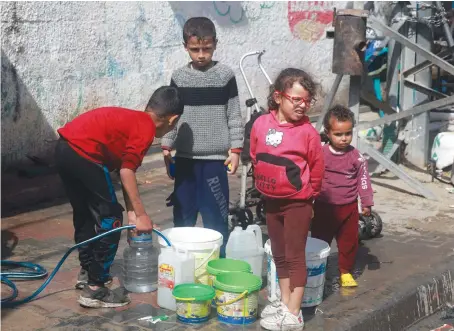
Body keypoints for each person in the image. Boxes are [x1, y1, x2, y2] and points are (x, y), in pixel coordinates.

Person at [55, 86, 183, 308]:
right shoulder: (146, 129)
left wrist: (133, 212)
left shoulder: (134, 120)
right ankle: (95, 289)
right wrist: (142, 215)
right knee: (111, 219)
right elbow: (127, 172)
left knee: (85, 214)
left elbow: (124, 171)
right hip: (85, 154)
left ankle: (88, 272)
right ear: (173, 119)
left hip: (64, 150)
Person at [161, 17, 244, 257]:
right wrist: (166, 146)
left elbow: (234, 115)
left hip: (215, 162)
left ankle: (217, 265)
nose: (200, 55)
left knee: (216, 218)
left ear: (215, 45)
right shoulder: (179, 77)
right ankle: (182, 262)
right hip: (185, 160)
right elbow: (172, 116)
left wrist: (236, 149)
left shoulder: (225, 76)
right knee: (183, 216)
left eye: (206, 49)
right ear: (185, 46)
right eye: (195, 49)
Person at [250, 68, 324, 330]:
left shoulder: (308, 132)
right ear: (278, 97)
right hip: (271, 201)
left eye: (307, 100)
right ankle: (284, 301)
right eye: (296, 99)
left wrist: (309, 198)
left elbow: (316, 168)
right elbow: (255, 154)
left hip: (298, 203)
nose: (302, 106)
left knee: (294, 256)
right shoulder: (260, 124)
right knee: (278, 254)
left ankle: (294, 313)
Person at [311, 105, 374, 288]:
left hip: (348, 208)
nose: (344, 138)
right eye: (338, 134)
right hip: (324, 206)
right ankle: (317, 269)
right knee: (319, 241)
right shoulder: (321, 154)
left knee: (349, 242)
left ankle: (345, 271)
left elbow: (363, 180)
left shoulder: (356, 157)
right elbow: (311, 175)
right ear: (328, 133)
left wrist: (367, 202)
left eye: (348, 133)